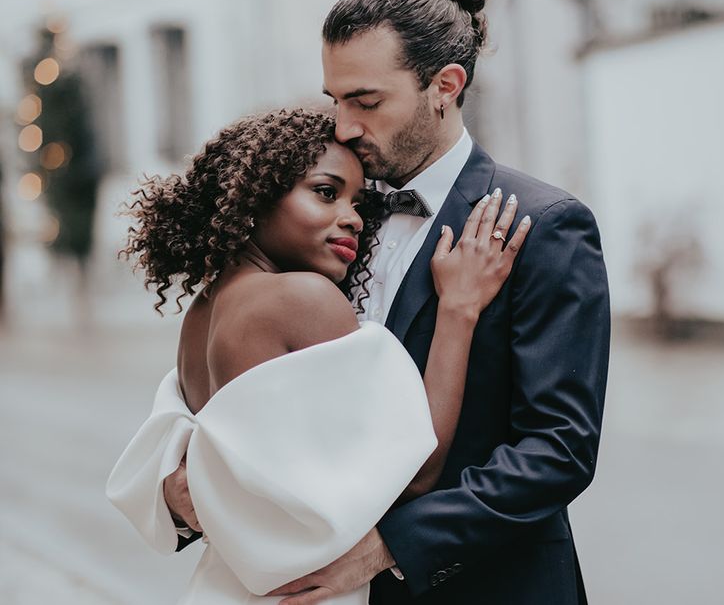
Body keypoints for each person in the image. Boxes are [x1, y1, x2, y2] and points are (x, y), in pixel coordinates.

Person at [241, 0, 608, 605]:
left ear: (445, 86)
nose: (344, 126)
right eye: (335, 100)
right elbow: (251, 353)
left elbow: (559, 450)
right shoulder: (336, 214)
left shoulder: (543, 226)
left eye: (366, 100)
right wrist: (180, 474)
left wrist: (391, 546)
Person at [107, 108, 531, 604]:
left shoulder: (204, 312)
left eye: (358, 203)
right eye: (326, 193)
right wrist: (459, 309)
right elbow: (415, 471)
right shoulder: (301, 299)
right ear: (255, 197)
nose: (352, 217)